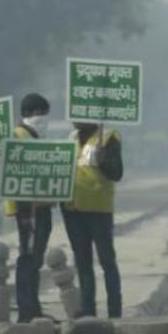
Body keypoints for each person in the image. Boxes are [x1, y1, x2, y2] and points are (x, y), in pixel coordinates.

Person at [61, 122, 124, 319]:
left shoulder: (108, 137)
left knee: (107, 261)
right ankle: (88, 309)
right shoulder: (70, 139)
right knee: (82, 262)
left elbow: (117, 173)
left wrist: (102, 159)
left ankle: (114, 310)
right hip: (73, 209)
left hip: (99, 209)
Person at [5, 93, 54, 323]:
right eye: (39, 113)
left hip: (39, 206)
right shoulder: (20, 136)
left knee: (35, 259)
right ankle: (27, 309)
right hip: (29, 210)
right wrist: (24, 212)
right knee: (28, 258)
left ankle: (33, 307)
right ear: (27, 115)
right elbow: (17, 172)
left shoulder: (33, 136)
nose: (43, 118)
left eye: (45, 114)